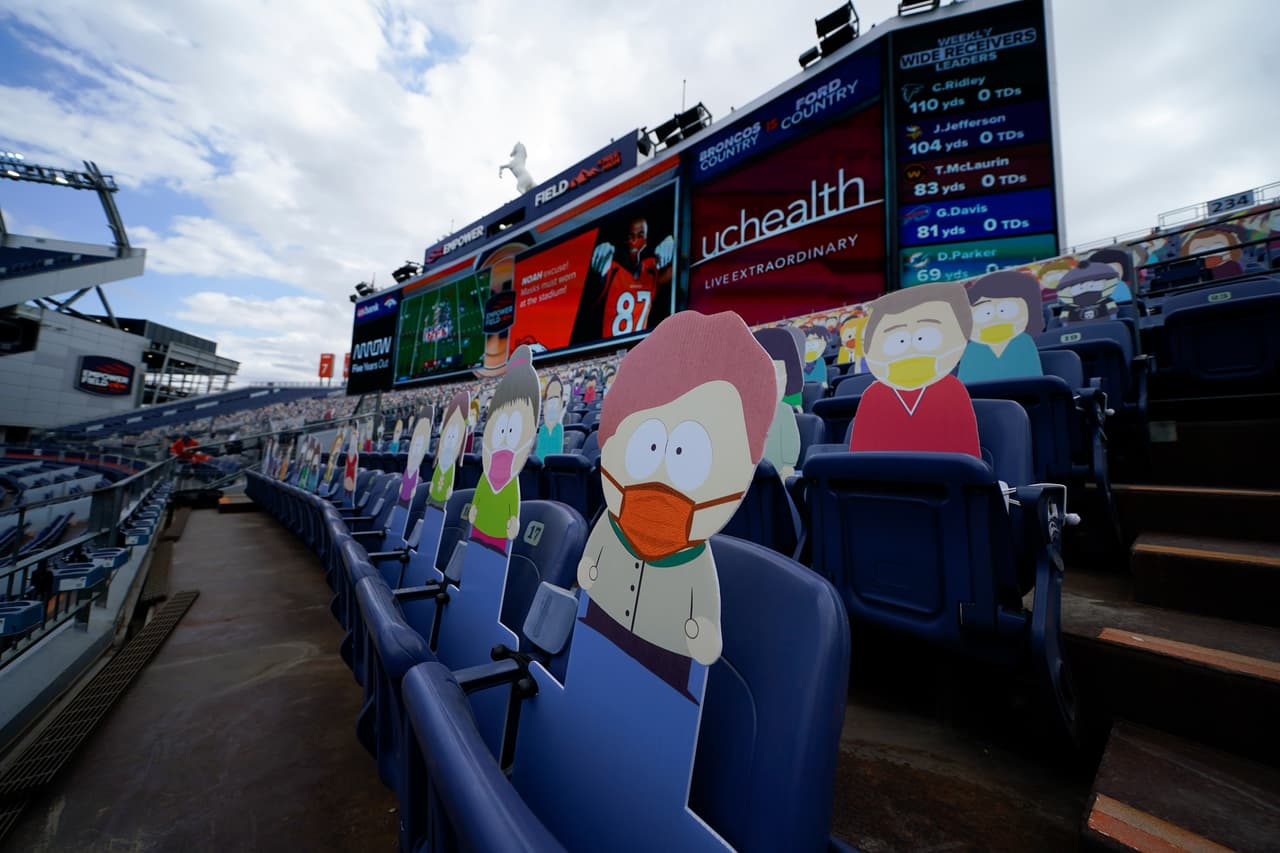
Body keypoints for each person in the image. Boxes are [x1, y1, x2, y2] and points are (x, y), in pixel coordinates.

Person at [578, 310, 777, 688]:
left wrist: (701, 627)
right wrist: (590, 566)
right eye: (647, 446)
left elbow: (700, 600)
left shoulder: (693, 557)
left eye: (688, 454)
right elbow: (595, 555)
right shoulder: (612, 523)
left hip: (666, 659)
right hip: (600, 627)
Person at [850, 282, 980, 458]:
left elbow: (967, 461)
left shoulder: (952, 390)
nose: (911, 350)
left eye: (926, 337)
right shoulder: (872, 395)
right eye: (897, 340)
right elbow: (858, 462)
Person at [467, 346, 541, 555]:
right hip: (480, 524)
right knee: (478, 548)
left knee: (493, 554)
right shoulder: (487, 470)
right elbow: (482, 489)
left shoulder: (511, 476)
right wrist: (476, 506)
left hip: (500, 533)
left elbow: (510, 497)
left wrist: (511, 518)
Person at [585, 217, 675, 339]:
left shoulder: (651, 270)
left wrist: (674, 242)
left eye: (640, 235)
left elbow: (677, 271)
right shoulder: (611, 269)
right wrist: (597, 266)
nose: (634, 241)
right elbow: (594, 287)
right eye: (630, 236)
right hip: (609, 351)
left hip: (640, 349)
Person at [957, 270, 1045, 383]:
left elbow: (1032, 382)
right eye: (985, 314)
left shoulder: (1023, 342)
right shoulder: (971, 350)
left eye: (1005, 310)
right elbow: (967, 386)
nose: (994, 321)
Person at [753, 327, 804, 478]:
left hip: (777, 470)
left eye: (776, 373)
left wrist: (788, 465)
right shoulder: (746, 413)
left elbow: (790, 440)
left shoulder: (784, 411)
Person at [534, 374, 566, 459]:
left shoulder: (560, 428)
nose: (552, 403)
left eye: (556, 398)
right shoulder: (543, 430)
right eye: (549, 398)